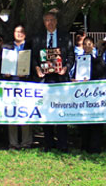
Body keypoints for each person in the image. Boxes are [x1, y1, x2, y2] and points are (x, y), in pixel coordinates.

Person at [32, 11, 74, 152]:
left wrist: (66, 68)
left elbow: (71, 56)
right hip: (44, 78)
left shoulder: (65, 36)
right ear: (44, 23)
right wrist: (37, 68)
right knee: (46, 110)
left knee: (61, 110)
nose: (49, 23)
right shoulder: (38, 38)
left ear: (56, 21)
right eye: (46, 20)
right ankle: (48, 143)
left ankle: (63, 143)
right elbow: (33, 57)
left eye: (51, 20)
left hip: (60, 78)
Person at [0, 25, 33, 149]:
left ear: (25, 34)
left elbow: (35, 63)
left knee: (25, 112)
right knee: (12, 113)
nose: (19, 34)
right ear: (13, 33)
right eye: (17, 31)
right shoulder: (6, 47)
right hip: (10, 83)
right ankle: (13, 143)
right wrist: (4, 73)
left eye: (21, 32)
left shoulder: (30, 46)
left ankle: (26, 142)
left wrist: (27, 73)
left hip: (25, 84)